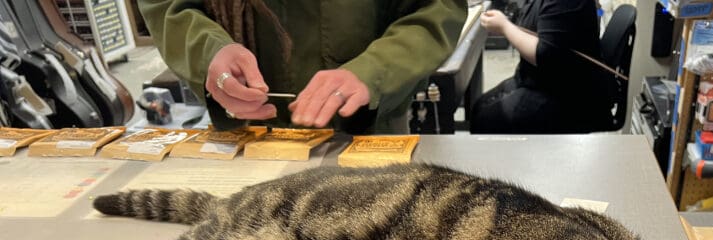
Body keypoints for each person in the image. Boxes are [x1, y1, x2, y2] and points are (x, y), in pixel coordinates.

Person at [137, 0, 467, 134]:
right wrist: (209, 51)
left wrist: (373, 71)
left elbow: (437, 9)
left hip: (366, 131)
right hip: (247, 134)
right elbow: (169, 6)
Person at [471, 0, 612, 134]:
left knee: (485, 120)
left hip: (568, 95)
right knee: (479, 107)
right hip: (539, 79)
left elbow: (545, 55)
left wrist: (505, 27)